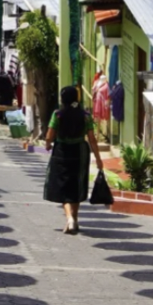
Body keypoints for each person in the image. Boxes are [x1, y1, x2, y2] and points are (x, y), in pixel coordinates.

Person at [43, 85, 102, 234]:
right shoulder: (86, 115)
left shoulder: (57, 115)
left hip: (62, 152)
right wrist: (98, 158)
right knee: (76, 185)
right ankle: (74, 219)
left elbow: (49, 136)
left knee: (63, 186)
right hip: (80, 152)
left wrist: (48, 144)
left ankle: (69, 219)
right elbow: (92, 139)